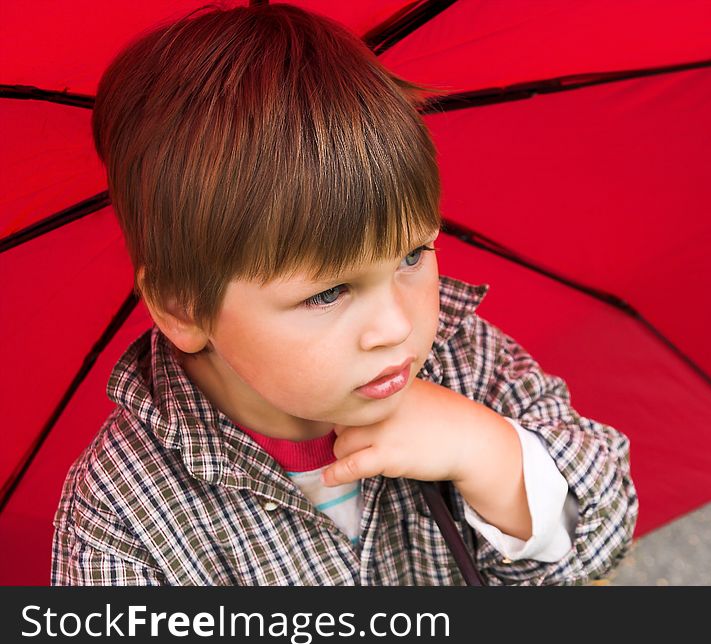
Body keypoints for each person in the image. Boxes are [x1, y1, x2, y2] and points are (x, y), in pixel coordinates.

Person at [51, 3, 638, 586]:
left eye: (412, 256)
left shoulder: (464, 362)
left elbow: (604, 528)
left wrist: (488, 453)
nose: (395, 328)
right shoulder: (124, 521)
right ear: (182, 304)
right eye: (329, 292)